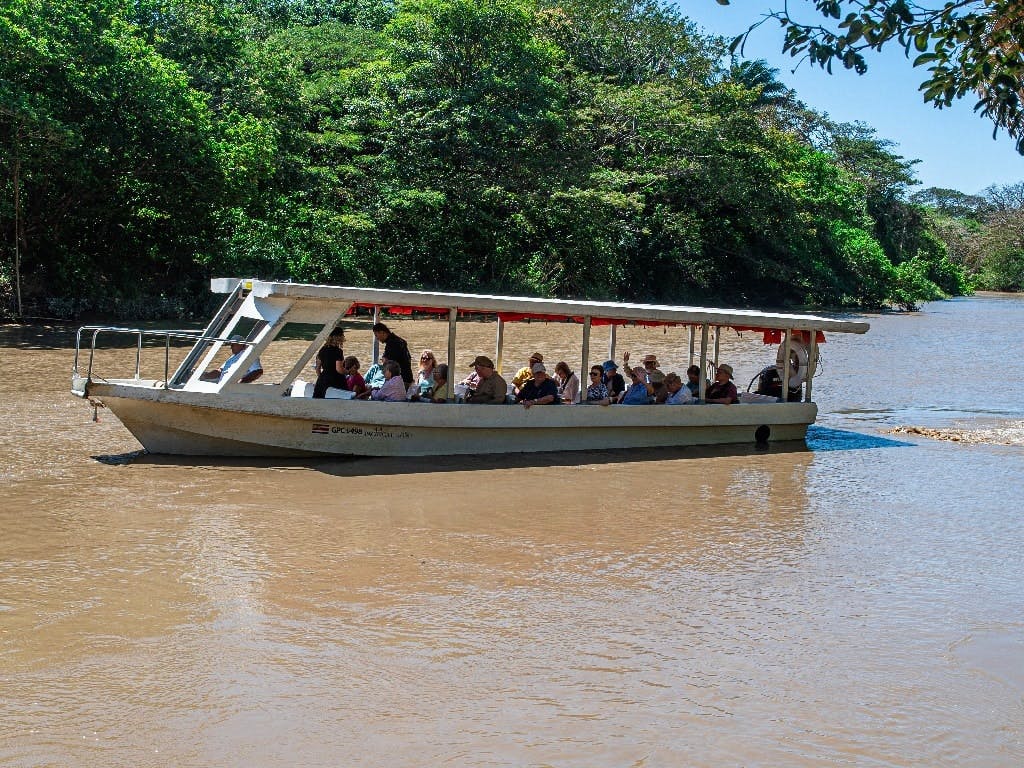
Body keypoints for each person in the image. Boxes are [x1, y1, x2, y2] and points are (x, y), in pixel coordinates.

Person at [371, 323, 413, 387]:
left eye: (376, 335)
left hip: (402, 381)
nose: (377, 338)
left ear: (382, 332)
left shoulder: (392, 344)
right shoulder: (398, 340)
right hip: (408, 377)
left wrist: (385, 360)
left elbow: (389, 365)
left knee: (374, 378)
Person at [313, 326, 346, 398]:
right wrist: (347, 372)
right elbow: (339, 369)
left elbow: (317, 368)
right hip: (336, 380)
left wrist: (322, 378)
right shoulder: (338, 351)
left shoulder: (322, 349)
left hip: (322, 381)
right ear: (339, 337)